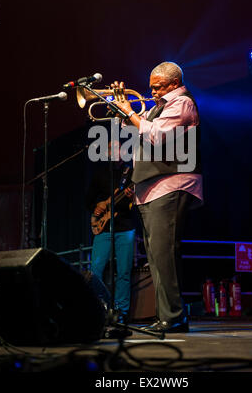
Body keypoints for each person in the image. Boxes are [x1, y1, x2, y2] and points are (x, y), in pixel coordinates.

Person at [111, 61, 203, 333]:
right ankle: (167, 316)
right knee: (156, 258)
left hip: (171, 183)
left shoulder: (181, 103)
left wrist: (129, 111)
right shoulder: (158, 108)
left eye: (158, 87)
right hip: (152, 188)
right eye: (151, 87)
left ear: (174, 83)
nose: (152, 92)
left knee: (165, 255)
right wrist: (122, 111)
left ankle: (174, 317)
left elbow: (158, 137)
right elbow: (137, 130)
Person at [86, 141, 136, 323]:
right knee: (96, 271)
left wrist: (133, 197)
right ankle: (99, 307)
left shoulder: (131, 173)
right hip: (103, 229)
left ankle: (121, 312)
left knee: (123, 272)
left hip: (125, 227)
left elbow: (138, 202)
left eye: (118, 148)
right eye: (111, 149)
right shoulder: (99, 175)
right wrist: (96, 206)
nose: (115, 151)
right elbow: (88, 201)